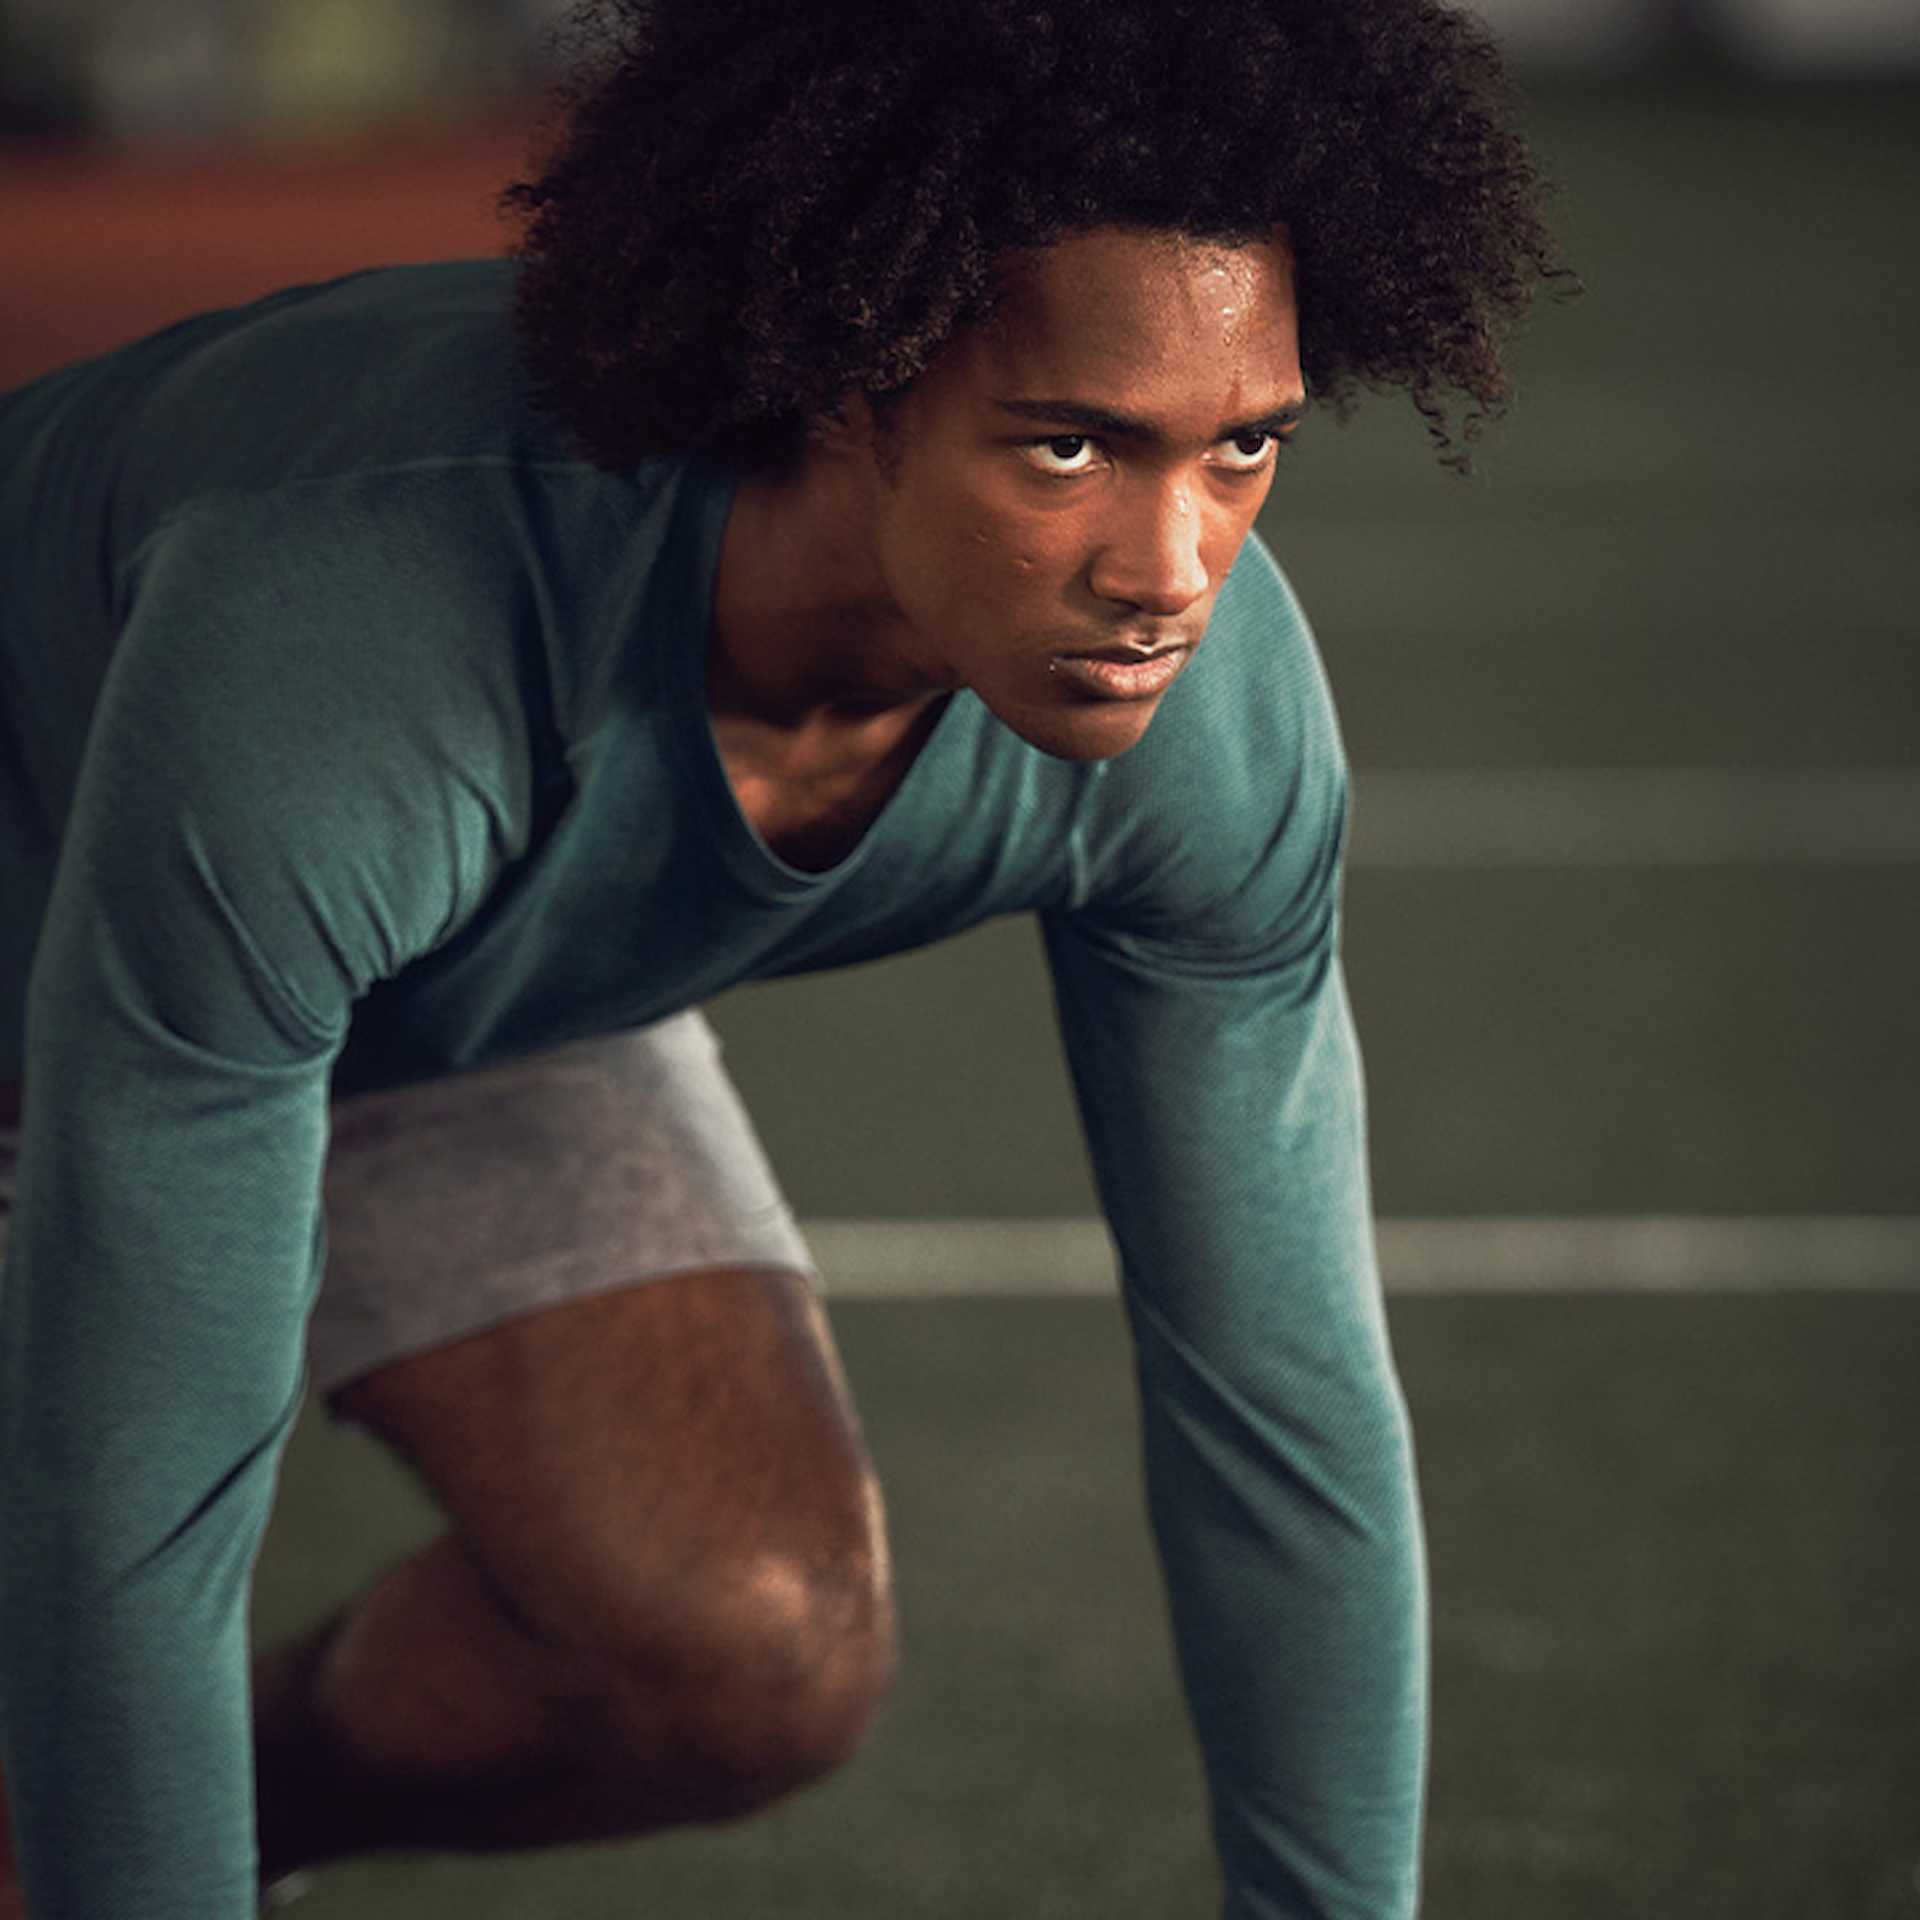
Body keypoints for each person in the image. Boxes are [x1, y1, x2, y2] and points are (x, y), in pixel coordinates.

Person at [0, 1, 1565, 1914]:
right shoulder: (353, 633)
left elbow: (1282, 1405)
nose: (1172, 570)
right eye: (1069, 446)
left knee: (737, 1648)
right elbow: (138, 1507)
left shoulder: (1203, 723)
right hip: (122, 885)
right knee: (96, 1571)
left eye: (1241, 449)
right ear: (848, 381)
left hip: (442, 966)